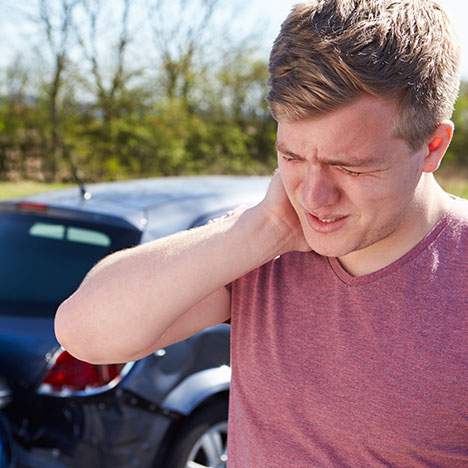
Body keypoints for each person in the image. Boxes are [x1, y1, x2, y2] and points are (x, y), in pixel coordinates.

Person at [55, 0, 468, 466]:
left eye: (349, 167)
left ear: (433, 146)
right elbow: (83, 334)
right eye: (291, 157)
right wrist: (262, 230)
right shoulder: (264, 249)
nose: (313, 197)